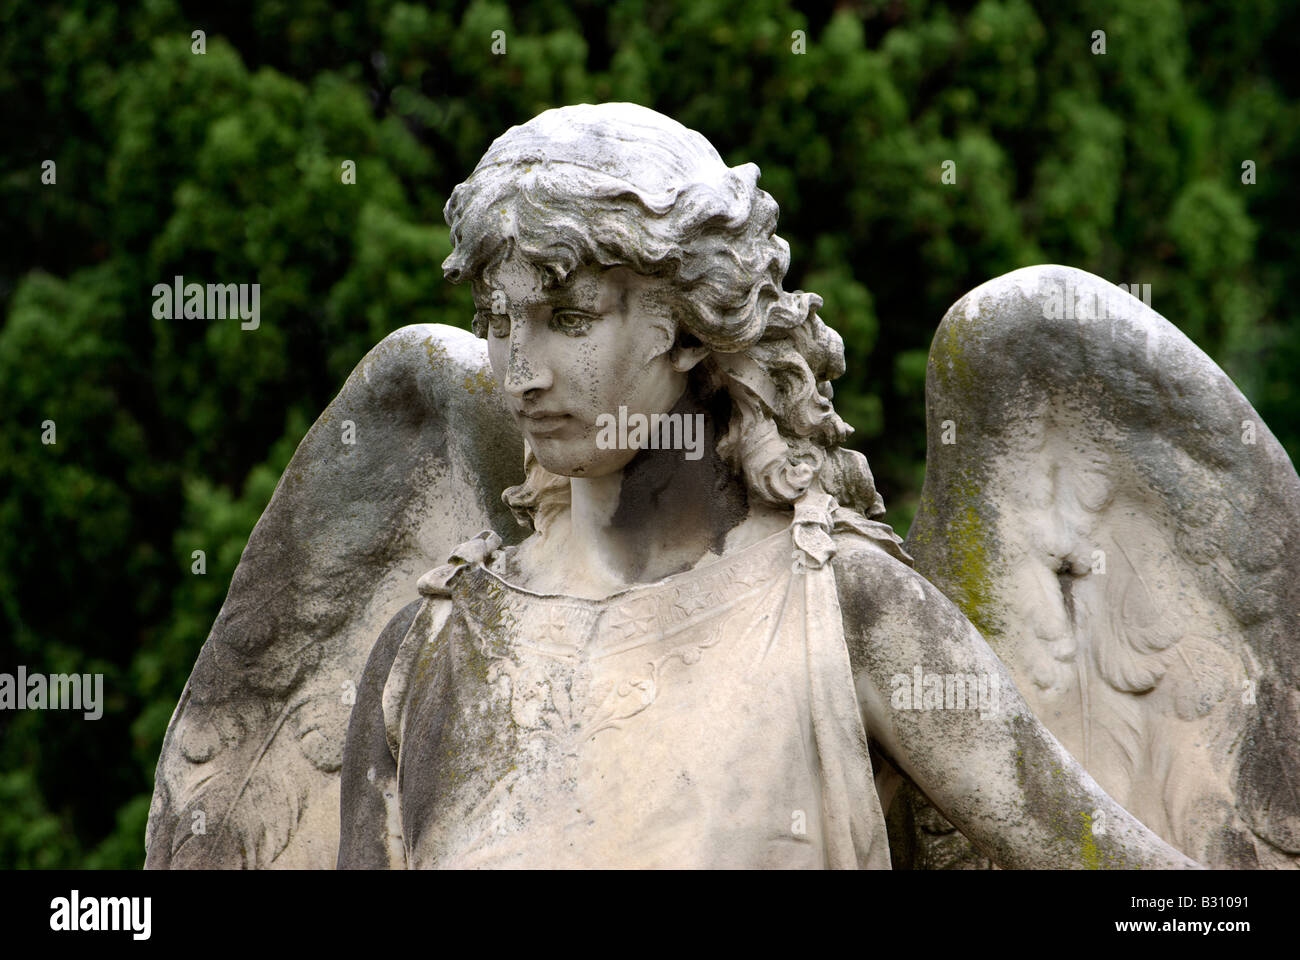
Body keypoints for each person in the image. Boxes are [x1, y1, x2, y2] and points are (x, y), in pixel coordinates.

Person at [336, 103, 1199, 869]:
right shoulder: (431, 649)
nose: (521, 373)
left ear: (687, 326)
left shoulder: (843, 610)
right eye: (497, 322)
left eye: (570, 320)